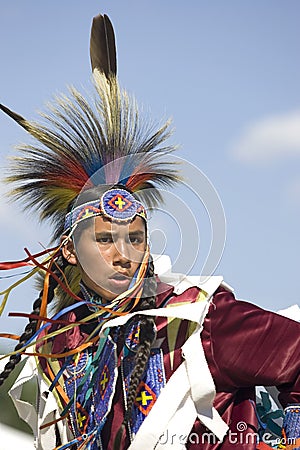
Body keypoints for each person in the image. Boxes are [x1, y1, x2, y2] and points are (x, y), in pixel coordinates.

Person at [0, 13, 299, 450]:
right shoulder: (61, 346)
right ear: (68, 250)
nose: (125, 253)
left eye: (135, 238)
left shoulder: (198, 321)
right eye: (105, 239)